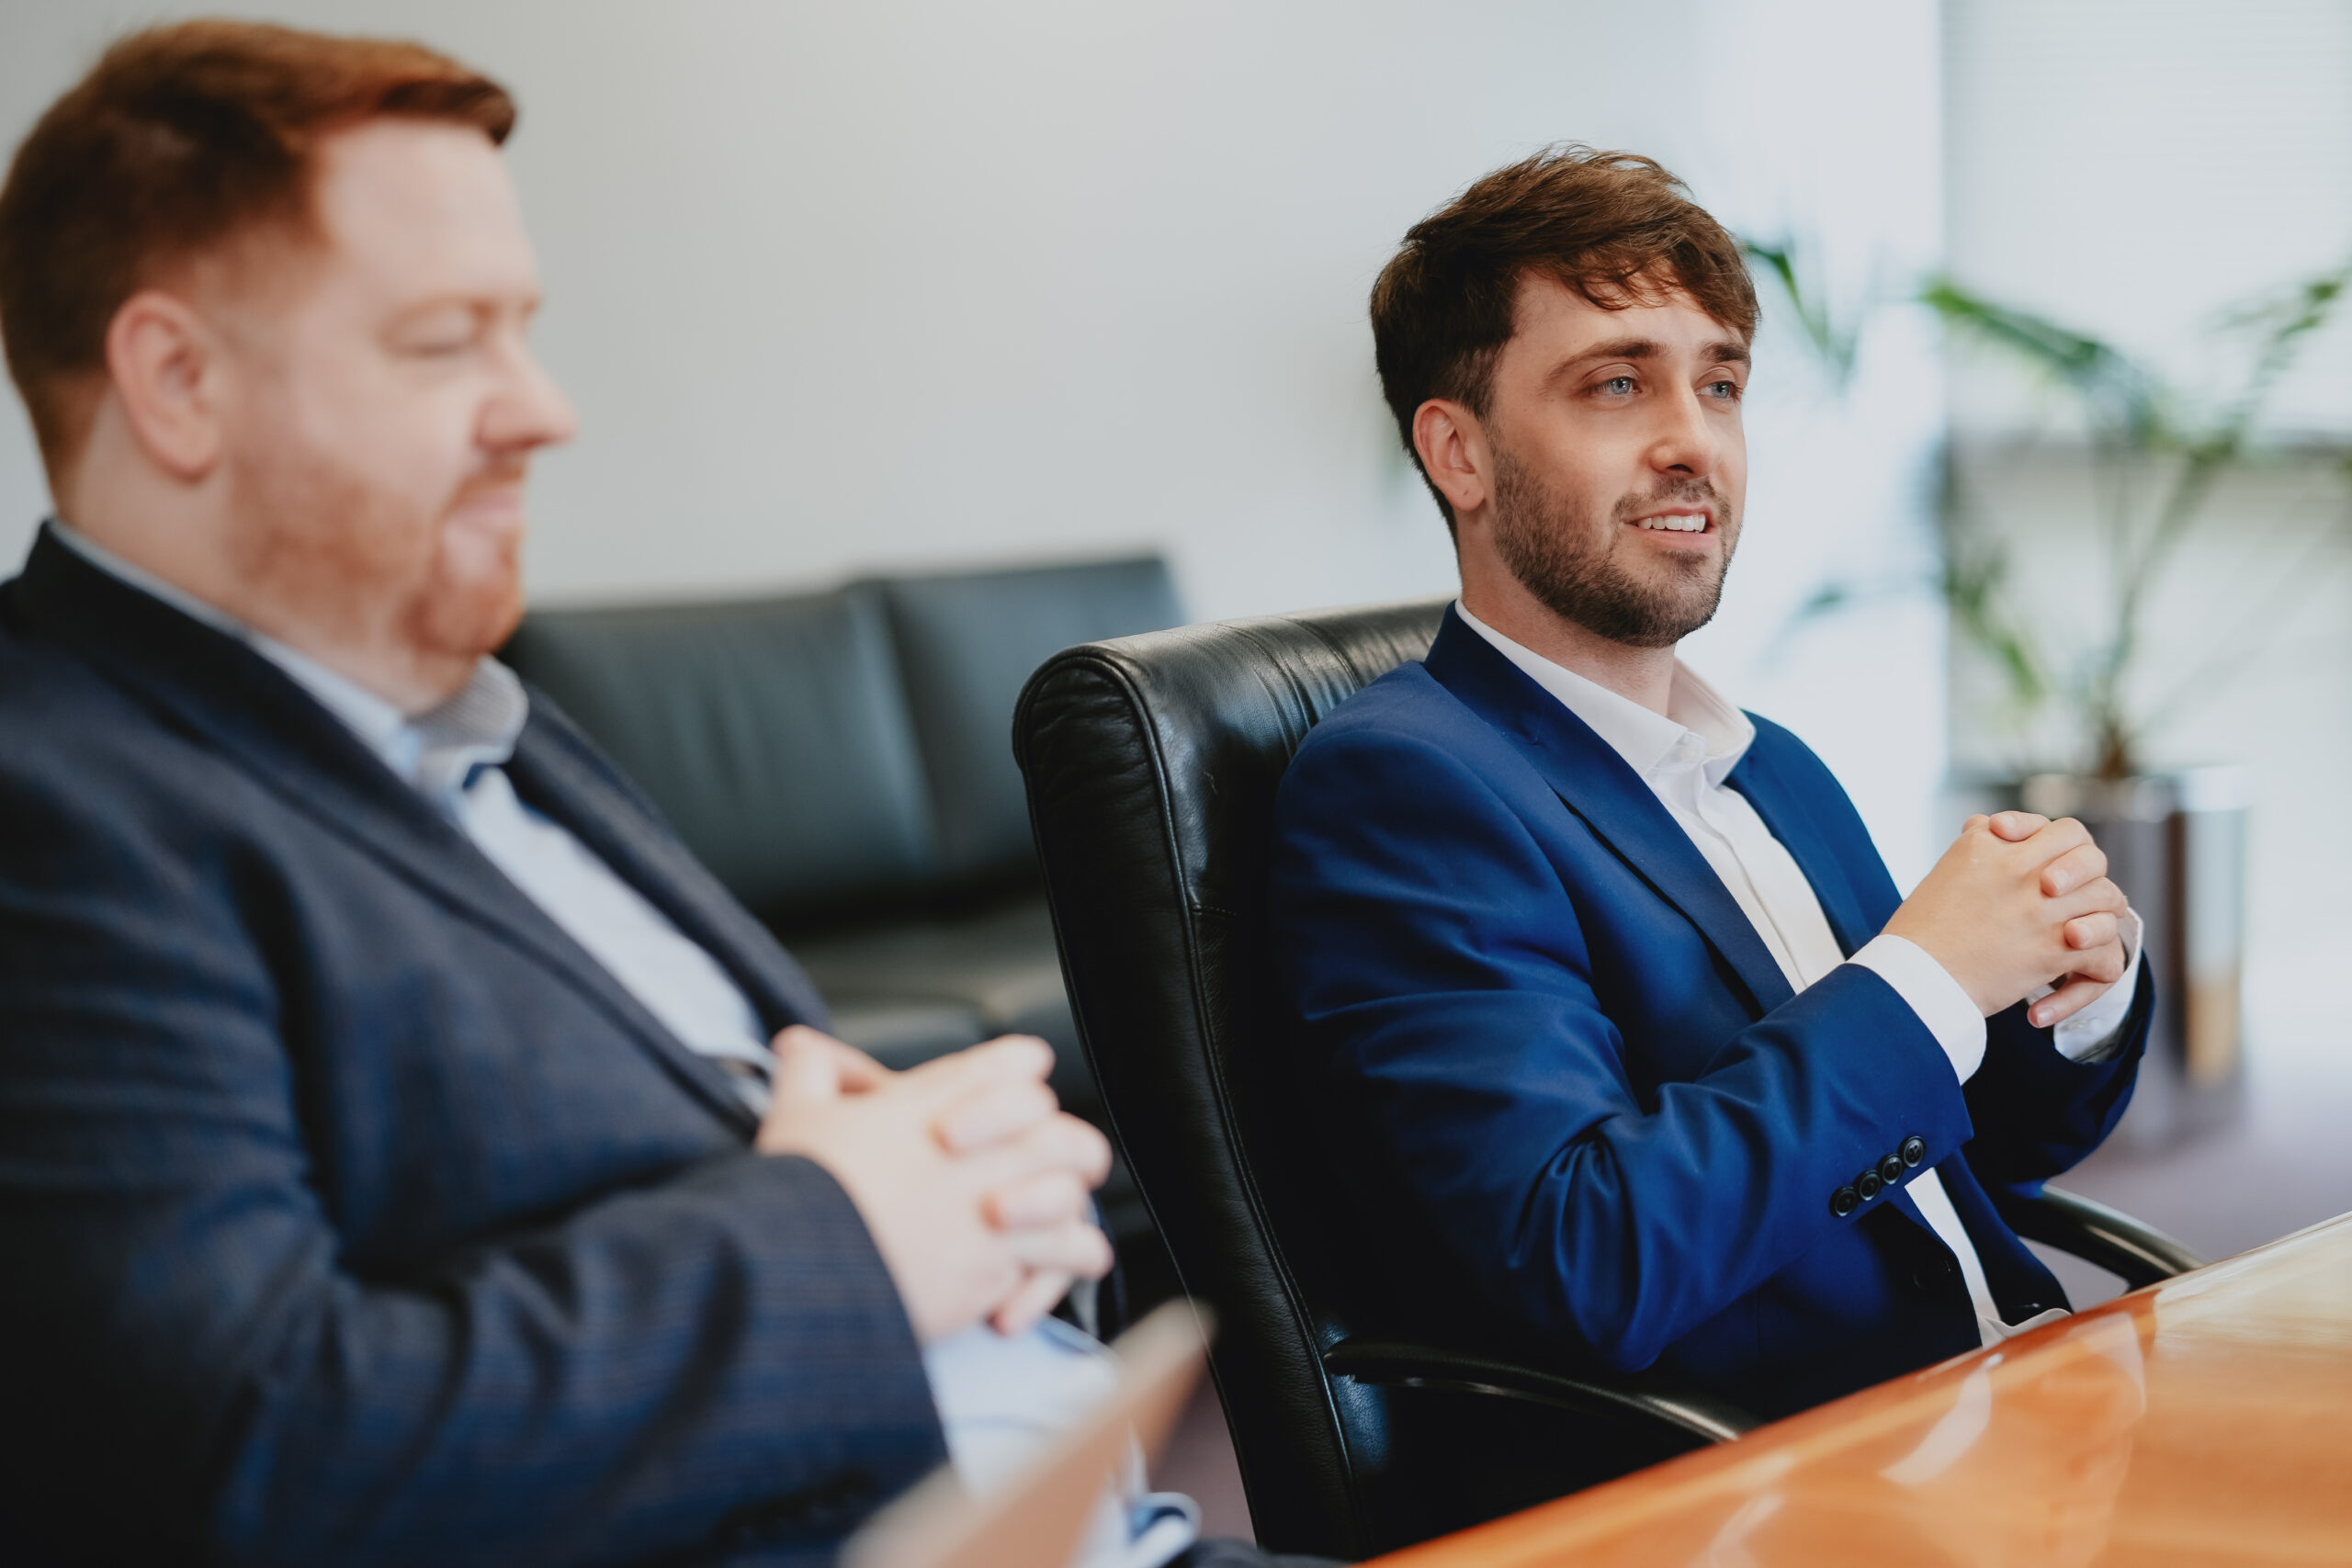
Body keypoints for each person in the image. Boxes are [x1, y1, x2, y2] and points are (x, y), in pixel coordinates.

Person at [0, 22, 1317, 1568]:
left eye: (524, 329)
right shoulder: (58, 810)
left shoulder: (495, 721)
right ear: (176, 383)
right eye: (445, 340)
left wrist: (962, 1191)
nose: (541, 408)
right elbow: (252, 1451)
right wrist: (852, 1239)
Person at [1267, 147, 2153, 1421]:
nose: (1696, 443)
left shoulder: (1771, 764)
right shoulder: (1405, 791)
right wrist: (1925, 978)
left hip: (2016, 1405)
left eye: (1721, 383)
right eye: (1618, 383)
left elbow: (1970, 1150)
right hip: (1791, 1479)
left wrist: (2068, 992)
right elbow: (1587, 1255)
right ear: (1459, 455)